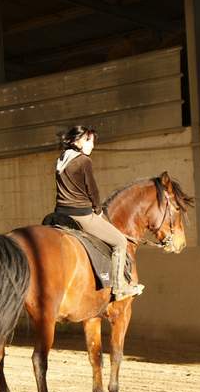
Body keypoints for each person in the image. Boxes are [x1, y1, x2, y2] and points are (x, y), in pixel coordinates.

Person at [54, 125, 144, 301]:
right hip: (81, 215)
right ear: (75, 141)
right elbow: (92, 190)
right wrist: (98, 209)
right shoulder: (83, 161)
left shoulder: (61, 159)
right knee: (120, 241)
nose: (92, 145)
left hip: (60, 213)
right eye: (88, 141)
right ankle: (120, 287)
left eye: (92, 141)